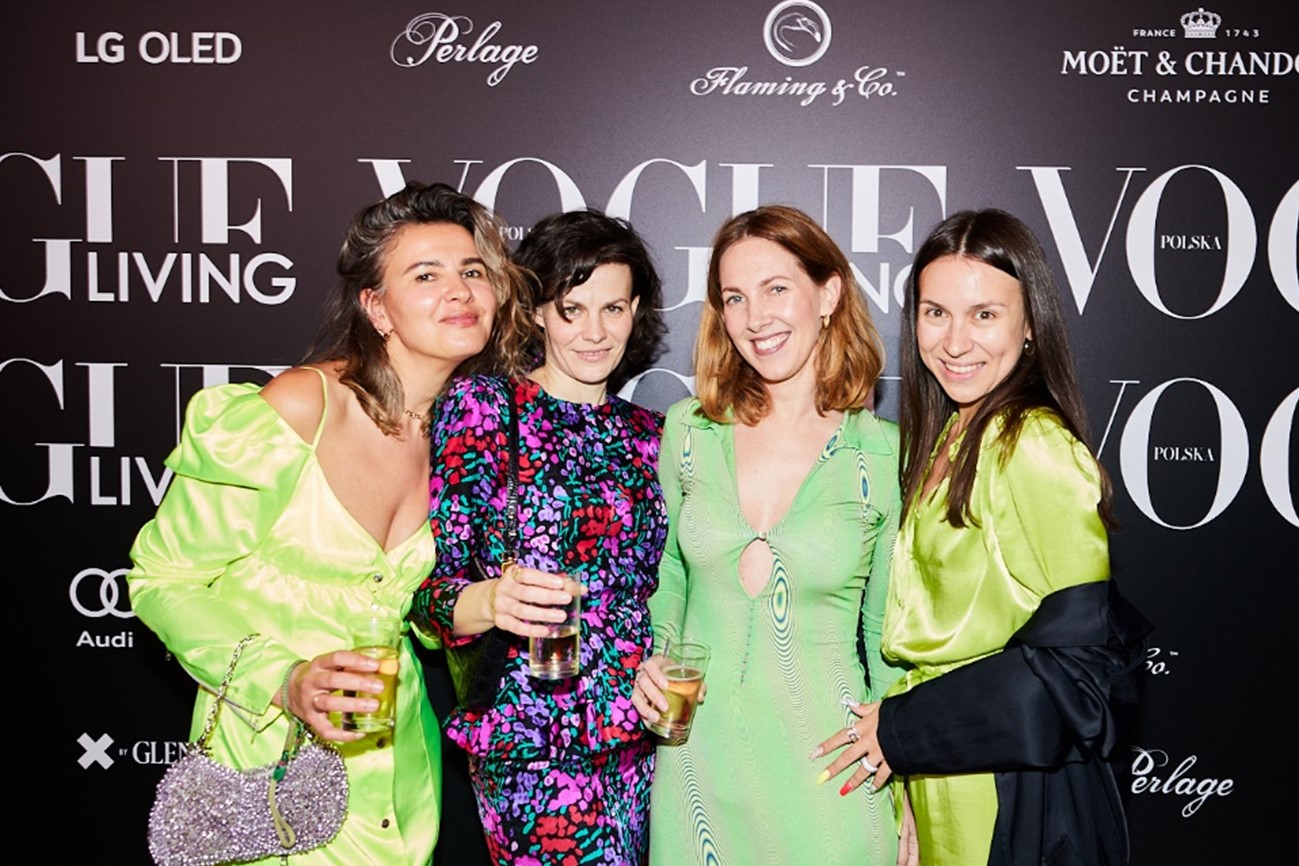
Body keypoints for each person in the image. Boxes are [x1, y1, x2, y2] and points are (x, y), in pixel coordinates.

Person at [128, 181, 531, 866]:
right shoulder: (296, 410)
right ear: (376, 307)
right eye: (425, 275)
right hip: (267, 766)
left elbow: (428, 615)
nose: (459, 291)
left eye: (472, 272)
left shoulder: (471, 436)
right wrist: (284, 678)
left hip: (395, 769)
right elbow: (162, 580)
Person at [814, 209, 1151, 866]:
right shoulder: (951, 435)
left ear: (1029, 327)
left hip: (1006, 790)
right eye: (935, 312)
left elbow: (1082, 674)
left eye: (984, 315)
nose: (954, 341)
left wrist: (903, 730)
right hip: (945, 774)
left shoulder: (1032, 446)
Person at [631, 205, 906, 866]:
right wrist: (657, 659)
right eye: (734, 297)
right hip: (697, 769)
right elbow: (669, 574)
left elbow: (886, 639)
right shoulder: (688, 432)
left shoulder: (883, 456)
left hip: (833, 775)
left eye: (776, 288)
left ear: (828, 294)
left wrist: (907, 784)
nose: (755, 317)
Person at [411, 209, 668, 865]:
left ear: (635, 311)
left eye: (612, 308)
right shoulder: (484, 410)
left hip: (642, 731)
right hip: (529, 739)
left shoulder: (656, 436)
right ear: (537, 313)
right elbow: (429, 596)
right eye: (571, 307)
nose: (592, 331)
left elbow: (673, 586)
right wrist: (493, 597)